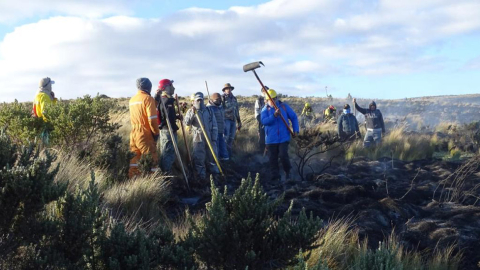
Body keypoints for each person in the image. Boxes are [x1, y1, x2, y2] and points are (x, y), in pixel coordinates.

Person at [261, 89, 299, 182]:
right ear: (266, 100)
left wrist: (296, 130)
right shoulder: (265, 110)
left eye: (274, 98)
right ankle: (275, 178)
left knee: (283, 155)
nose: (273, 100)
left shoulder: (284, 107)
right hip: (270, 139)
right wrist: (274, 115)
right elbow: (264, 121)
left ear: (277, 98)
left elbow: (294, 117)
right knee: (272, 159)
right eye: (270, 99)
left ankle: (288, 172)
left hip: (284, 138)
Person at [128, 78, 160, 178]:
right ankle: (152, 183)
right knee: (151, 159)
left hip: (133, 133)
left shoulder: (132, 100)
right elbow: (152, 120)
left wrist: (156, 98)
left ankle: (133, 181)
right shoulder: (148, 99)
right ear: (149, 87)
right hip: (145, 133)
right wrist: (156, 133)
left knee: (134, 159)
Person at [184, 92, 219, 181]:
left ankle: (215, 174)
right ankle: (201, 176)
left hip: (210, 136)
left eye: (201, 100)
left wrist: (214, 138)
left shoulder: (209, 110)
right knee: (199, 156)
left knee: (212, 155)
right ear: (194, 101)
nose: (199, 102)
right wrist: (192, 113)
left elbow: (214, 124)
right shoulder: (191, 111)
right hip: (198, 137)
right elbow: (187, 122)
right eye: (197, 100)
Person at [155, 79, 181, 173]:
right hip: (167, 130)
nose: (173, 87)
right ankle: (166, 174)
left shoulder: (167, 100)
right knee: (168, 152)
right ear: (165, 88)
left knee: (167, 151)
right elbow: (166, 117)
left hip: (167, 129)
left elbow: (168, 116)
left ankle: (166, 171)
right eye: (171, 85)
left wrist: (176, 117)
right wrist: (172, 125)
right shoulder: (166, 100)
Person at [221, 83, 241, 160]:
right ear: (224, 90)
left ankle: (229, 154)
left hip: (233, 120)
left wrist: (239, 121)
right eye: (227, 89)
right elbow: (220, 109)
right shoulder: (222, 98)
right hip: (226, 120)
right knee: (226, 137)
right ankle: (225, 155)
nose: (228, 90)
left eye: (229, 88)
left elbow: (237, 110)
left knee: (231, 138)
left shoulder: (234, 98)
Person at [207, 92, 226, 162]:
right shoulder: (209, 108)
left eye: (220, 99)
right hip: (214, 131)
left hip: (221, 130)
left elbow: (222, 119)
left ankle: (224, 160)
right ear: (212, 100)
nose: (219, 101)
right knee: (216, 147)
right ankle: (216, 162)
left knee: (222, 146)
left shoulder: (220, 107)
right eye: (217, 100)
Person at [254, 86, 267, 152]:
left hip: (270, 119)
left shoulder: (270, 98)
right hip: (261, 120)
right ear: (263, 91)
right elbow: (257, 111)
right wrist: (261, 120)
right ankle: (261, 151)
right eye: (265, 91)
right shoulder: (259, 99)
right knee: (262, 136)